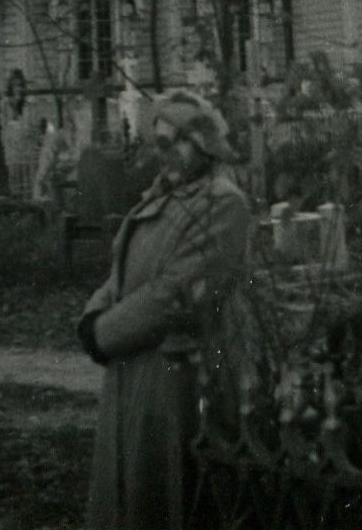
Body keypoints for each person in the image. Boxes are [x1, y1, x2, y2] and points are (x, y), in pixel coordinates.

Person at [78, 92, 250, 530]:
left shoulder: (223, 203)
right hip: (130, 370)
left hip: (174, 379)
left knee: (161, 499)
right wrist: (93, 317)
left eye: (178, 141)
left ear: (206, 142)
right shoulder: (161, 197)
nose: (166, 153)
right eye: (160, 142)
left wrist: (104, 334)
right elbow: (119, 271)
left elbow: (176, 295)